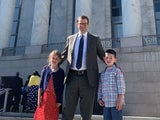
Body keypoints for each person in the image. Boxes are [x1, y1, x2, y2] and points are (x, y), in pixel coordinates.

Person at [61, 15, 105, 120]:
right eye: (80, 23)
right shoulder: (70, 39)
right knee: (68, 108)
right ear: (77, 24)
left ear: (88, 25)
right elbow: (64, 54)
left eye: (85, 23)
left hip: (87, 78)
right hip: (72, 77)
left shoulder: (94, 39)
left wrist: (113, 64)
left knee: (86, 110)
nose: (83, 26)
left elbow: (102, 54)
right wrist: (53, 63)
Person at [34, 50, 65, 120]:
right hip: (44, 98)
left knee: (52, 116)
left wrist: (59, 100)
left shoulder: (61, 72)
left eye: (56, 59)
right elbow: (41, 85)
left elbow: (61, 87)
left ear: (59, 60)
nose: (54, 60)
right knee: (43, 116)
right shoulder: (45, 70)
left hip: (54, 99)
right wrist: (39, 98)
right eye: (53, 58)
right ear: (50, 58)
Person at [97, 49, 126, 120]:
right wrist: (99, 98)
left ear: (115, 60)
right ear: (104, 59)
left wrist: (120, 100)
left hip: (115, 104)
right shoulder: (103, 73)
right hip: (106, 104)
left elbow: (121, 86)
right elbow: (100, 87)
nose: (108, 59)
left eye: (111, 58)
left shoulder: (117, 71)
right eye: (106, 58)